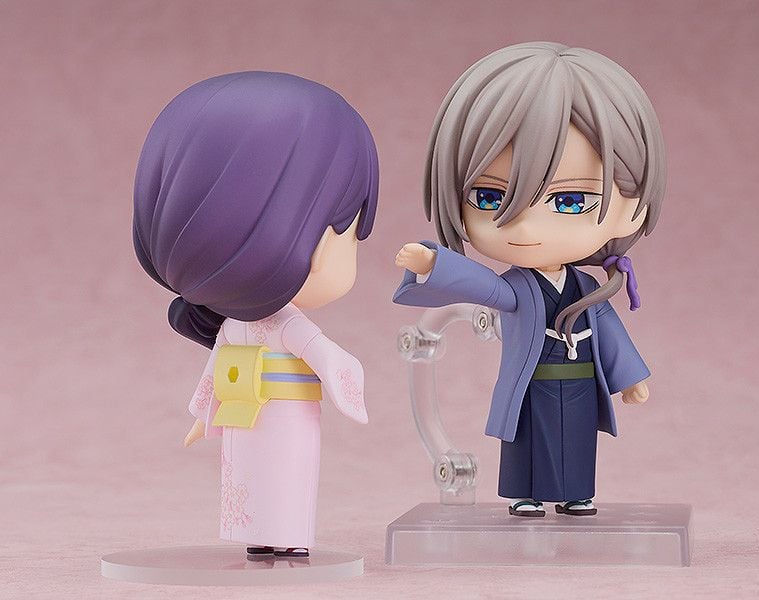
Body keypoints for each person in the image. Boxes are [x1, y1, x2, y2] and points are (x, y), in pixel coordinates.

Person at [394, 42, 665, 517]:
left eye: (570, 201)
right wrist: (434, 264)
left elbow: (610, 333)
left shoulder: (588, 289)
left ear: (631, 207)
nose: (522, 227)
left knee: (577, 440)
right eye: (488, 197)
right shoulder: (518, 288)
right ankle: (526, 493)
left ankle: (577, 492)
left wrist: (630, 378)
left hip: (579, 381)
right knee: (527, 439)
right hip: (532, 382)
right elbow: (483, 286)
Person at [133, 71, 379, 556]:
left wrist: (341, 385)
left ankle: (285, 538)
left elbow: (327, 358)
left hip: (284, 417)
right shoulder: (255, 327)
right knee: (248, 479)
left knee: (283, 475)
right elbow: (223, 371)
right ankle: (262, 539)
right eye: (350, 232)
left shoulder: (278, 326)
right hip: (245, 415)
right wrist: (206, 413)